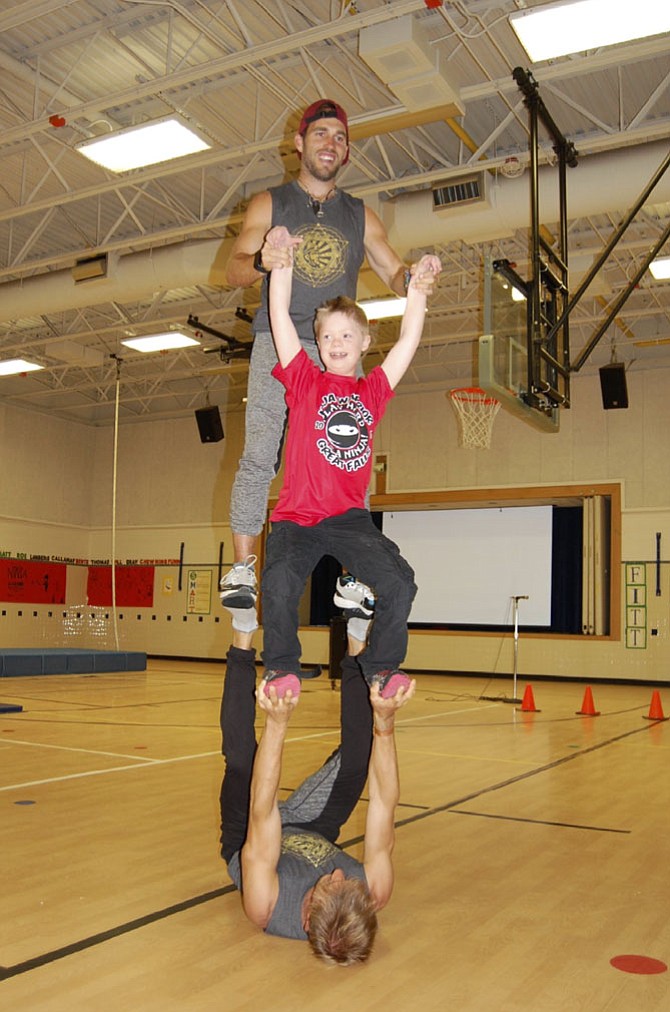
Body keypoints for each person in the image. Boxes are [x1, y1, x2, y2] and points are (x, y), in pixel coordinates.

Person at [220, 98, 441, 646]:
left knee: (350, 463)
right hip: (282, 342)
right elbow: (231, 271)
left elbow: (392, 269)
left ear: (345, 150)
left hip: (338, 348)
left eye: (340, 138)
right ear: (299, 144)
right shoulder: (270, 203)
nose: (330, 144)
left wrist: (416, 279)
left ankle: (353, 577)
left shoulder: (360, 213)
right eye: (320, 134)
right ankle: (245, 567)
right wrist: (264, 262)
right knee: (259, 454)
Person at [257, 226, 440, 699]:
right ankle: (281, 668)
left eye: (346, 335)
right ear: (317, 344)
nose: (335, 343)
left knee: (400, 583)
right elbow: (279, 315)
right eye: (326, 336)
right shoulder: (304, 381)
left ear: (363, 344)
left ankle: (381, 668)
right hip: (297, 518)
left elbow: (407, 343)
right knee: (278, 584)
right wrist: (282, 265)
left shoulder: (371, 391)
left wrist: (416, 291)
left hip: (349, 519)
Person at [219, 642, 415, 964]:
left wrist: (277, 723)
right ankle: (354, 648)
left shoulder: (266, 904)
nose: (339, 873)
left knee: (242, 761)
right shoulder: (372, 892)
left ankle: (241, 639)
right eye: (347, 883)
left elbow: (263, 810)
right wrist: (384, 722)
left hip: (251, 837)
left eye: (330, 885)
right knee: (357, 762)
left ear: (307, 919)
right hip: (312, 827)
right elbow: (383, 801)